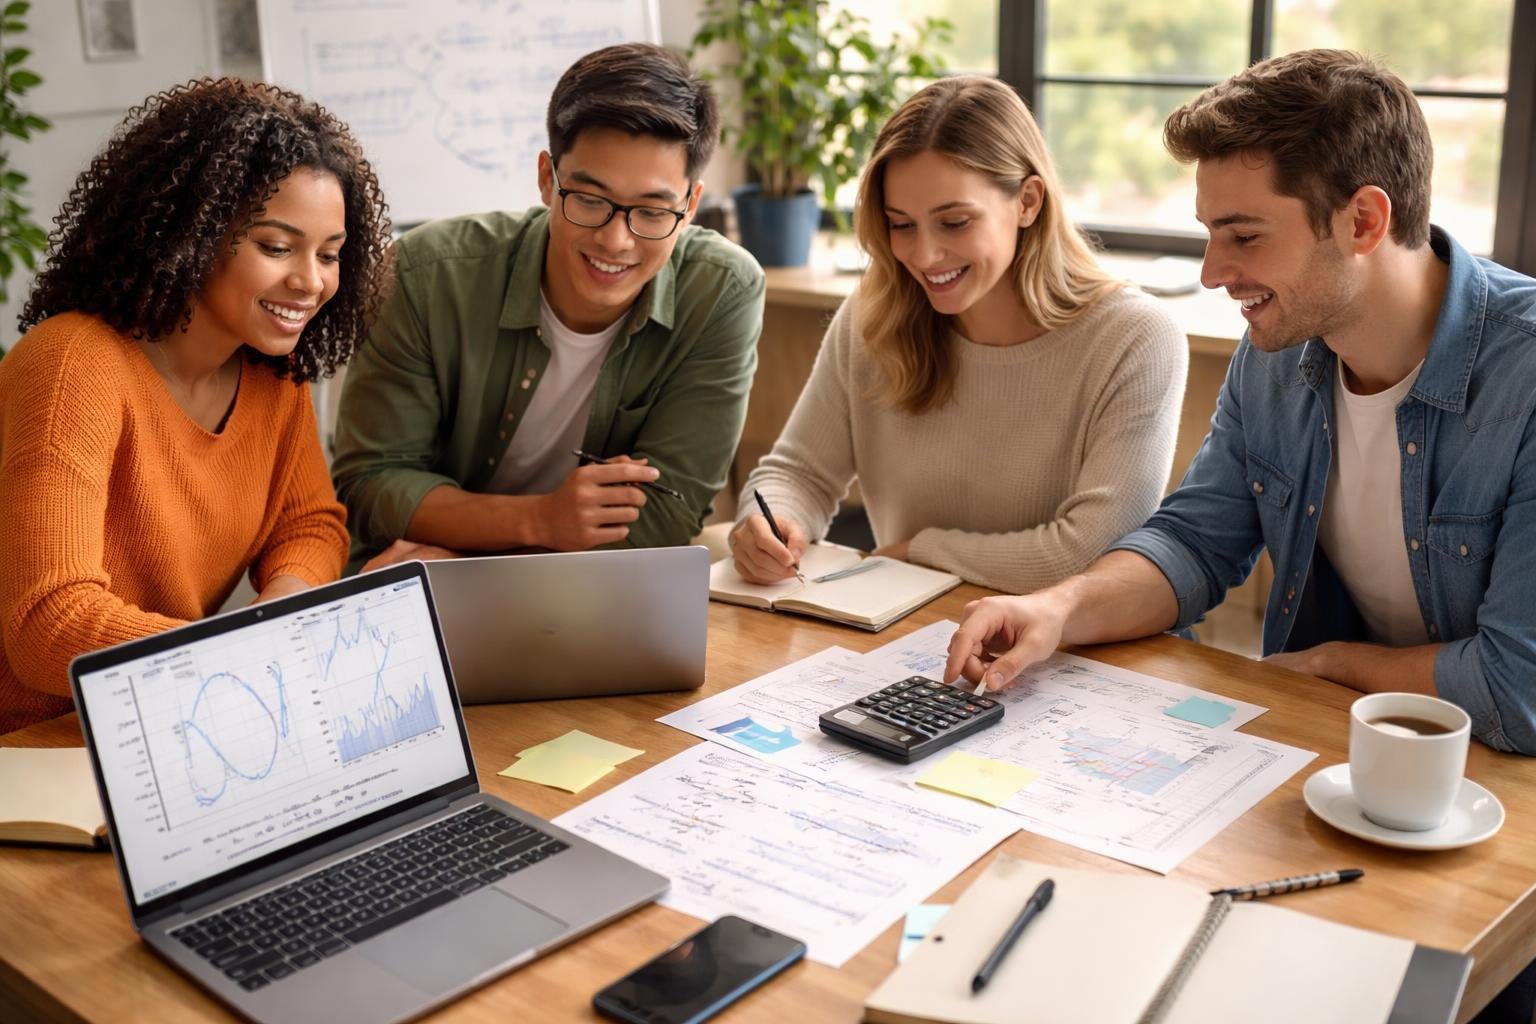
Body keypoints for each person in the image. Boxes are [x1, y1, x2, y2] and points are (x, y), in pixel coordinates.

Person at [945, 50, 1536, 758]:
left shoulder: (1523, 375)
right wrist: (1055, 608)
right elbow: (1193, 543)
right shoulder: (1276, 355)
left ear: (1364, 222)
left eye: (1244, 236)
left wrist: (1326, 664)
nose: (1212, 272)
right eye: (1209, 233)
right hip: (1340, 751)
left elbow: (1518, 689)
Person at [0, 78, 393, 735]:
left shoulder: (273, 374)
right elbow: (48, 620)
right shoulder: (70, 364)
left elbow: (310, 525)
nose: (311, 281)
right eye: (276, 247)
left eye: (330, 255)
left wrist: (284, 603)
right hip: (35, 739)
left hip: (177, 713)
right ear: (187, 232)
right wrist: (239, 656)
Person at [730, 75, 1185, 593]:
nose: (923, 256)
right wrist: (770, 522)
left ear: (1028, 201)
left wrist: (920, 554)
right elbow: (798, 474)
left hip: (1076, 653)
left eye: (954, 222)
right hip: (915, 631)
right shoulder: (873, 317)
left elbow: (1094, 552)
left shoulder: (1134, 337)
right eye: (902, 224)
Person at [331, 42, 765, 573]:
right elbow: (372, 483)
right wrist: (538, 520)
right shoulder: (424, 274)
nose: (615, 240)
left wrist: (475, 567)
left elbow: (664, 517)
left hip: (573, 592)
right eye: (589, 199)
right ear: (546, 178)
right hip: (420, 584)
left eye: (652, 212)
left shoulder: (722, 290)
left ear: (690, 206)